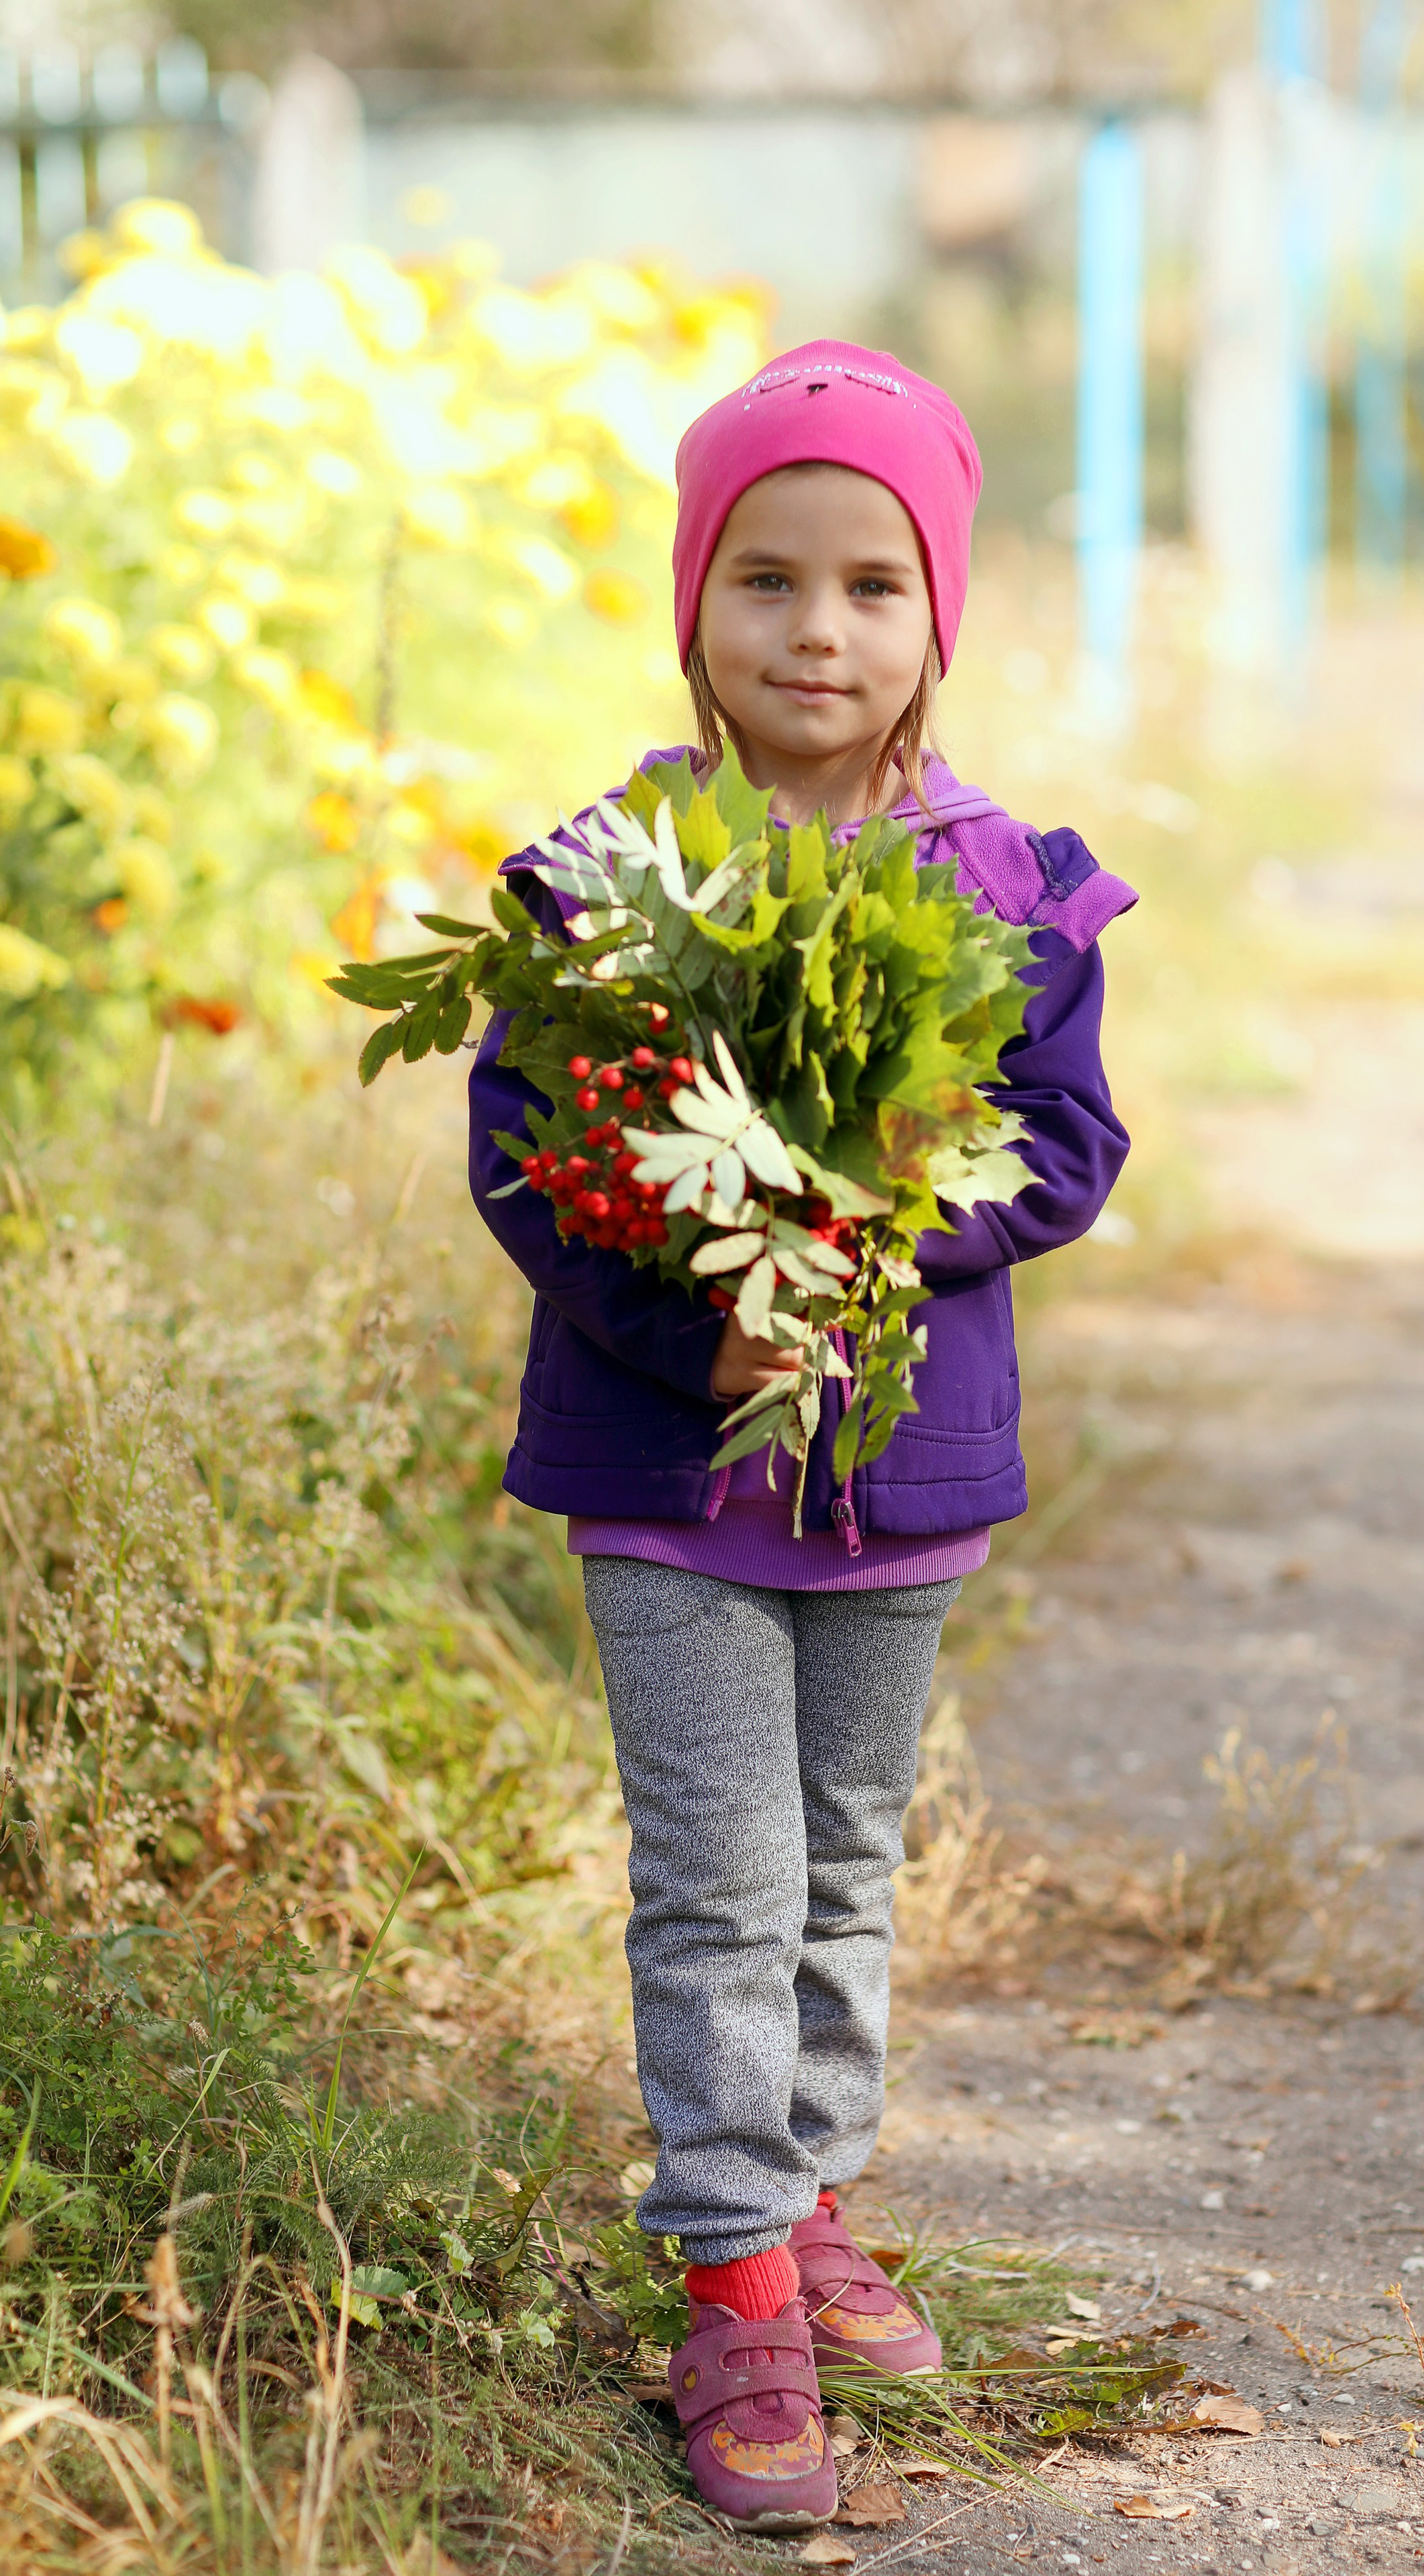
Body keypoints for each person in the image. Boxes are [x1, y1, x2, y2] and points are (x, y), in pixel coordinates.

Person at [468, 340, 1135, 2529]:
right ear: (695, 606)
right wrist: (707, 1323)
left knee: (848, 1862)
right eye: (767, 580)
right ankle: (731, 2269)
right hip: (670, 1475)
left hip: (903, 1473)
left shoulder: (1001, 880)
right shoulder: (603, 883)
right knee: (723, 1875)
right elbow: (529, 1158)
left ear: (938, 614)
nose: (817, 631)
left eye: (870, 584)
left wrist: (864, 1249)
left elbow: (1062, 1140)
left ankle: (813, 2185)